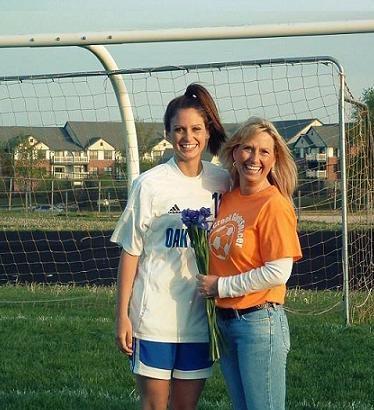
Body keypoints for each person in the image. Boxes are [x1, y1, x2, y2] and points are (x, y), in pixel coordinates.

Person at [111, 83, 230, 410]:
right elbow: (130, 252)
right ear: (168, 133)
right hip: (154, 317)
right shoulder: (149, 184)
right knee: (155, 406)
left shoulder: (222, 181)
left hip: (200, 319)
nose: (187, 137)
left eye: (195, 129)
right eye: (178, 129)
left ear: (207, 133)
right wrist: (123, 315)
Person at [197, 117, 302, 410]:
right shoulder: (228, 198)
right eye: (247, 149)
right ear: (235, 152)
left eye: (264, 152)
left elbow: (279, 271)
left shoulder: (274, 204)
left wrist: (221, 286)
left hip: (258, 323)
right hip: (226, 323)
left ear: (274, 159)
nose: (254, 158)